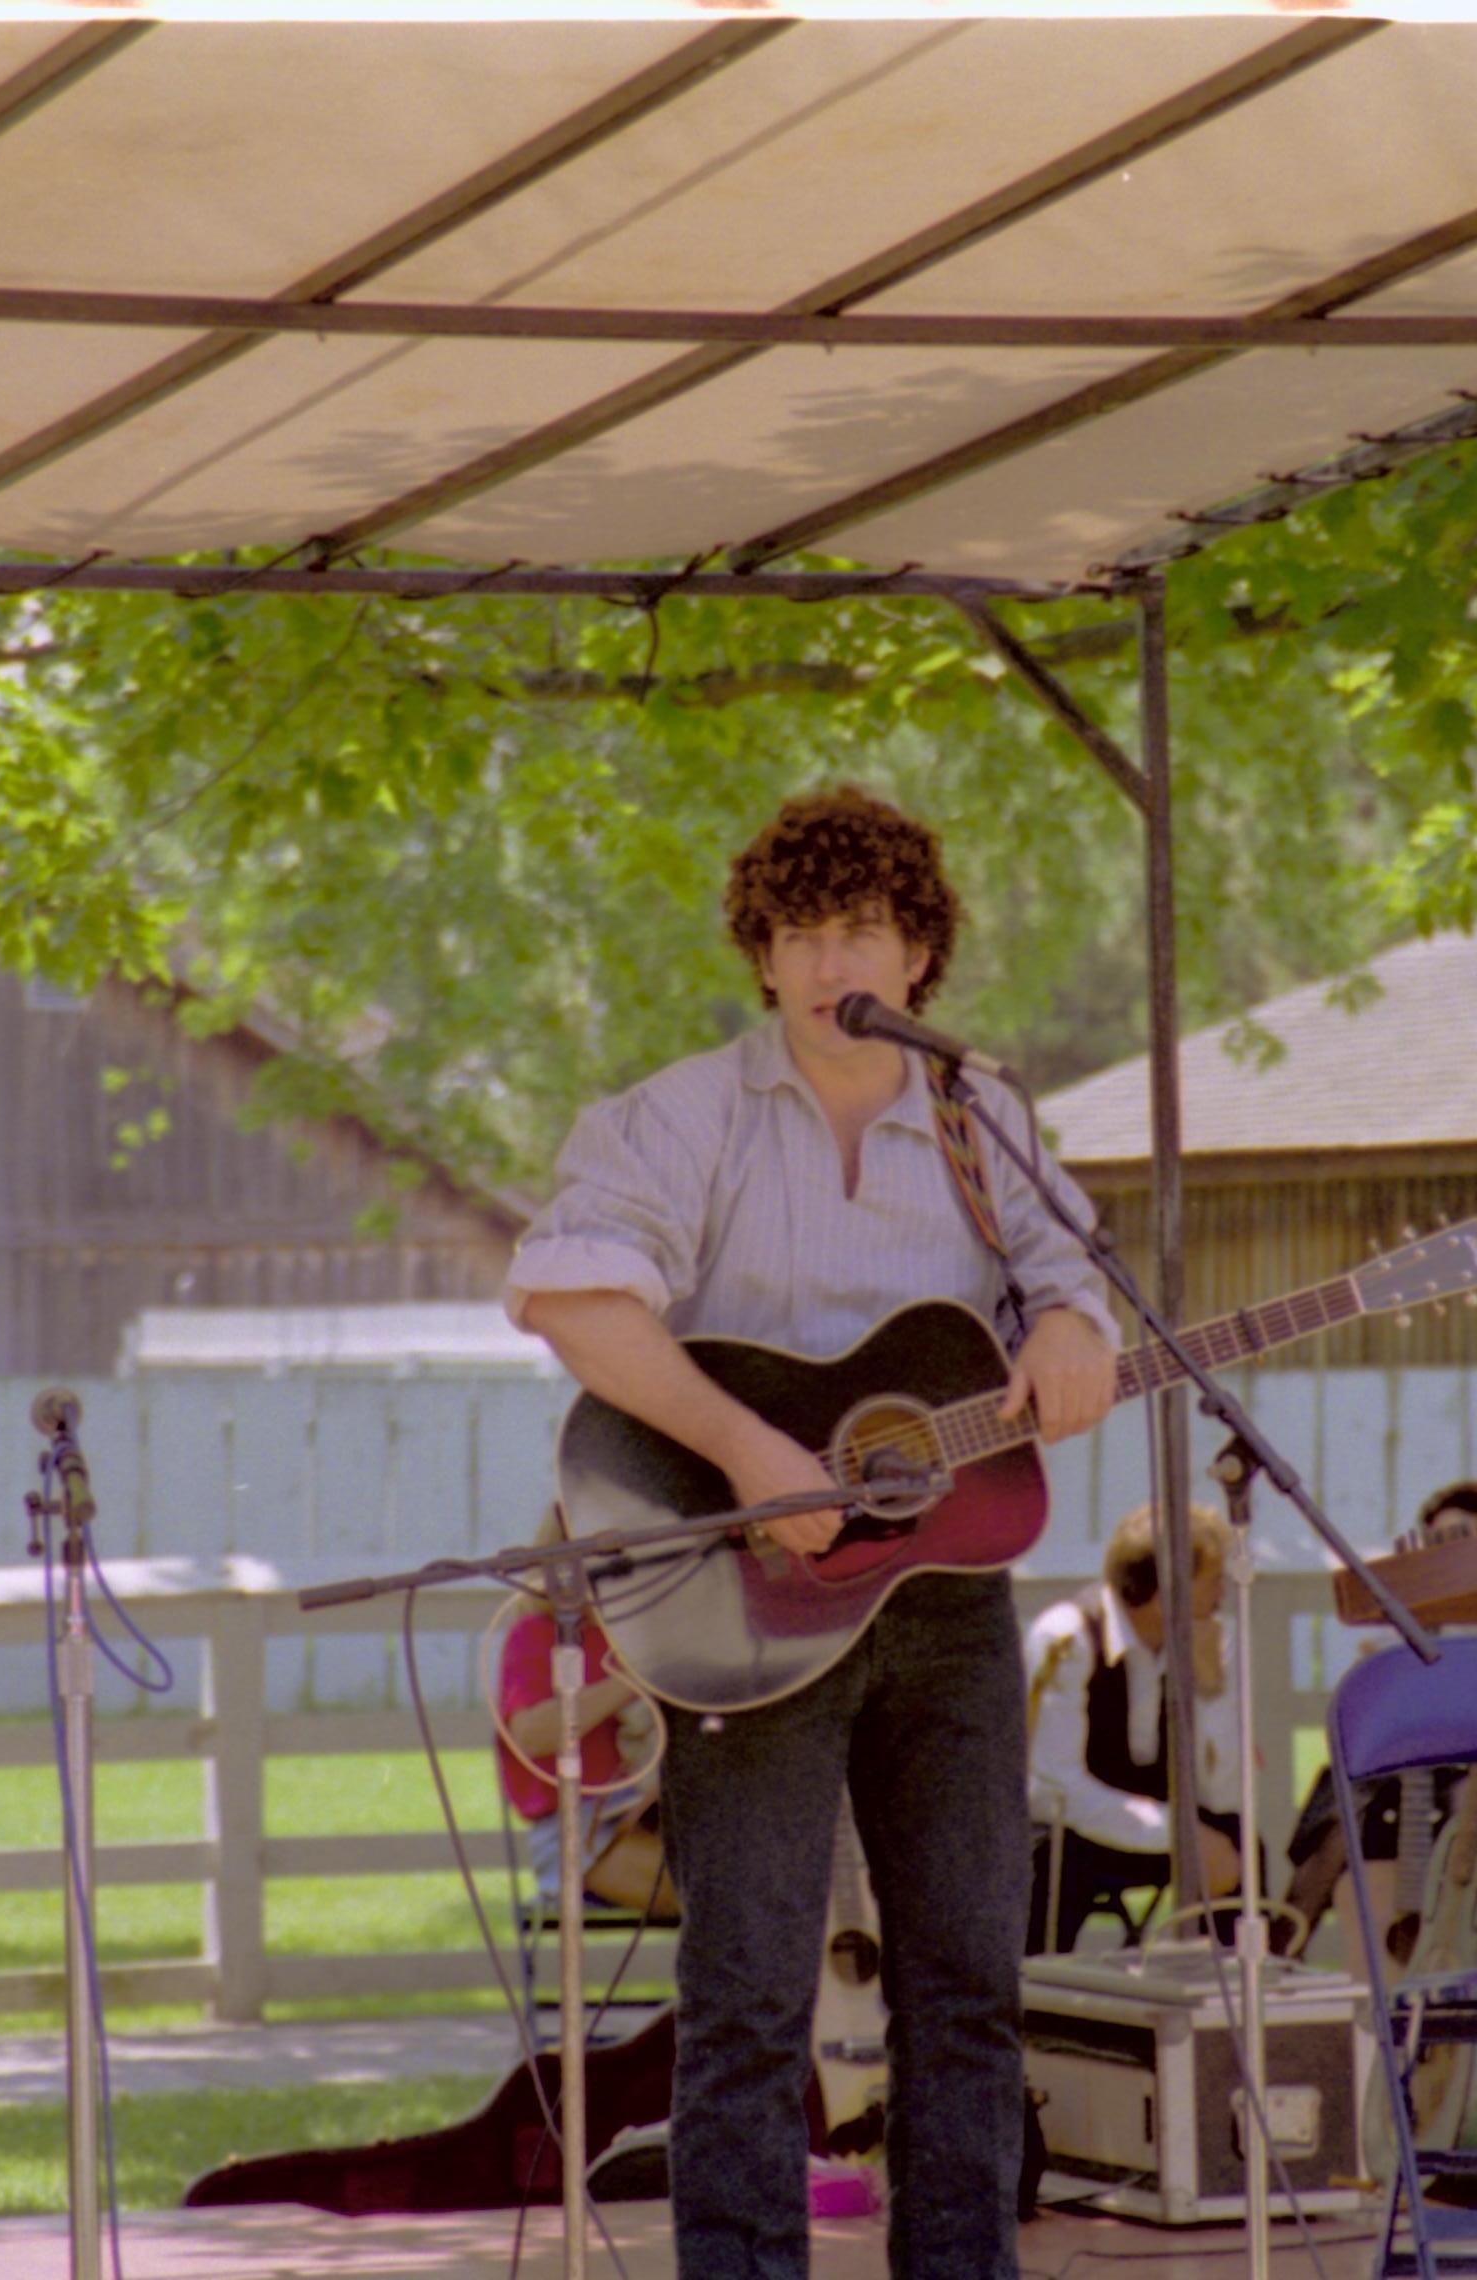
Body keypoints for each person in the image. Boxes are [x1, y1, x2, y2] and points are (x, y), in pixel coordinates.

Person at [506, 786, 1120, 2280]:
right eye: (802, 930)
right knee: (748, 1986)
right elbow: (576, 1300)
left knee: (971, 1978)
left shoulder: (983, 1118)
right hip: (750, 1596)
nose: (835, 956)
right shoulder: (685, 1117)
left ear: (918, 954)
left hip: (947, 1591)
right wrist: (754, 1446)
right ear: (763, 956)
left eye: (866, 927)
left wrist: (1077, 1330)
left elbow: (1073, 1283)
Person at [1021, 1500, 1252, 1952]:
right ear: (1168, 1589)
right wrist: (1177, 1835)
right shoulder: (1067, 1636)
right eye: (1213, 1581)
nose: (1221, 1596)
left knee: (1240, 1845)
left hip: (1162, 1827)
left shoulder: (1208, 1636)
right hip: (1074, 1832)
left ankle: (1224, 2002)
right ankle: (1038, 2005)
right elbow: (1051, 1790)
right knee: (1047, 1863)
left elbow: (1223, 1794)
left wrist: (1212, 1691)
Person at [494, 1577, 674, 1921]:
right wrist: (632, 1681)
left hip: (666, 1817)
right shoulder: (540, 1633)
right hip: (577, 1826)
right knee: (706, 1891)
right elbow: (530, 1735)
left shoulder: (654, 1632)